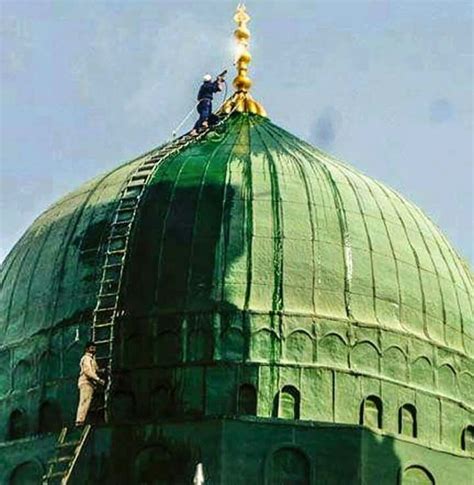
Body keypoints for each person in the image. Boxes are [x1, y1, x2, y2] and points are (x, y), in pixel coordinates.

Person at [75, 341, 105, 426]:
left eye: (94, 348)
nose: (93, 349)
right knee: (84, 401)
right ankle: (80, 421)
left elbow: (95, 369)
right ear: (87, 349)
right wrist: (98, 379)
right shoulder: (86, 359)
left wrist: (101, 371)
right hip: (86, 382)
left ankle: (81, 420)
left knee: (87, 401)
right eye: (92, 348)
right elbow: (88, 371)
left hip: (90, 383)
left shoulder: (92, 359)